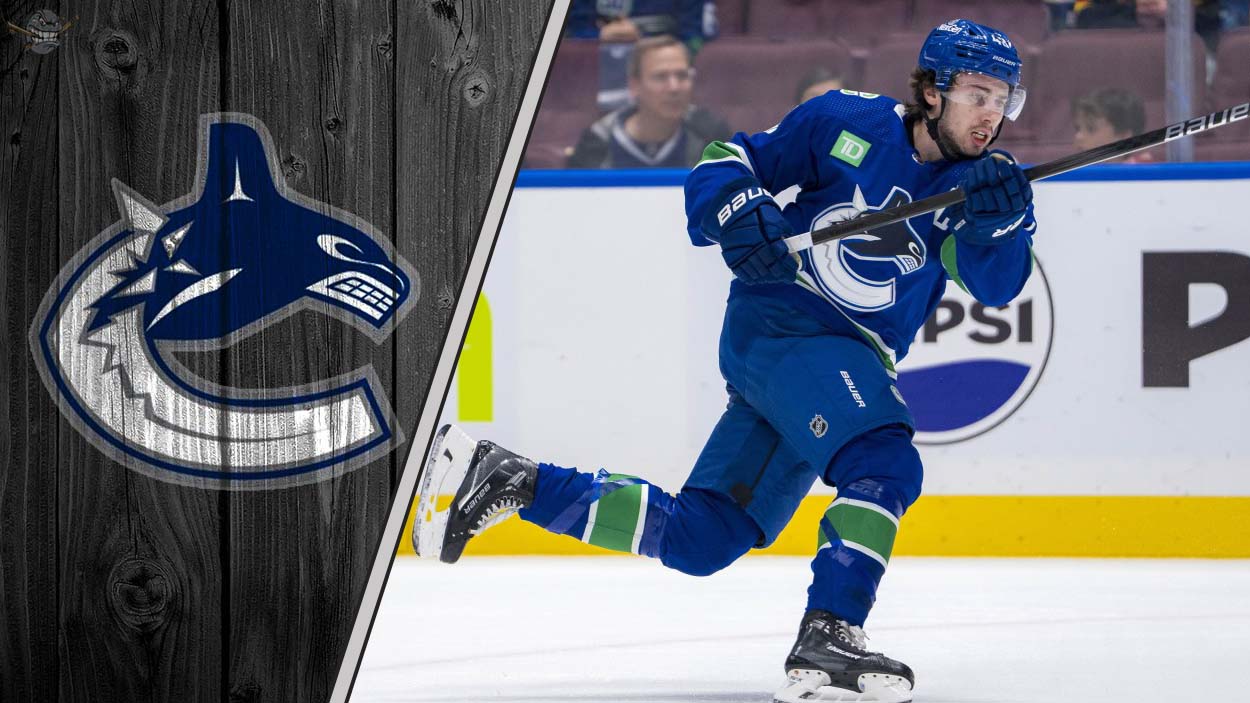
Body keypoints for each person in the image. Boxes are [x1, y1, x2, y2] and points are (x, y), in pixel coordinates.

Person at [415, 19, 1037, 703]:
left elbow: (994, 284)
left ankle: (514, 481)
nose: (991, 114)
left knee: (703, 538)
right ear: (932, 91)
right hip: (783, 326)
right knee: (883, 459)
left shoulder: (985, 189)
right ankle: (830, 632)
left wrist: (1001, 225)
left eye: (1003, 98)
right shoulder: (845, 120)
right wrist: (741, 213)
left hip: (843, 360)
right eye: (977, 94)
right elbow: (722, 161)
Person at [567, 35, 730, 169]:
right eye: (660, 77)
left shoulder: (711, 136)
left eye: (682, 76)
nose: (674, 87)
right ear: (634, 85)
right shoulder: (598, 141)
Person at [566, 0, 718, 56]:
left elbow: (696, 38)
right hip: (593, 75)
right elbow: (570, 32)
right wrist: (599, 36)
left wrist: (649, 47)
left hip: (665, 76)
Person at [1072, 88, 1155, 162]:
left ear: (1123, 137)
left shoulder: (1144, 171)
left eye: (1091, 129)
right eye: (1077, 129)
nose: (1078, 136)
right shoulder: (1076, 170)